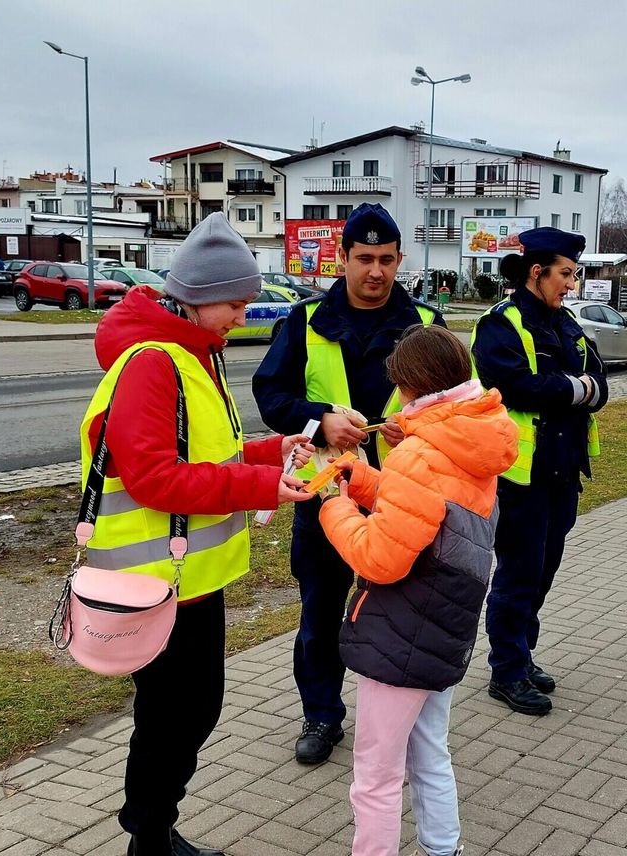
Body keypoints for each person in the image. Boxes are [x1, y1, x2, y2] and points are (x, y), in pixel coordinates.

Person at [80, 212, 317, 856]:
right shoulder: (154, 365)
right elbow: (157, 478)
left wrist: (275, 452)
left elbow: (216, 451)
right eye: (237, 303)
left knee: (189, 710)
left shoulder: (195, 356)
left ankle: (154, 831)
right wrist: (263, 487)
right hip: (154, 582)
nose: (243, 315)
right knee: (174, 715)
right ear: (202, 299)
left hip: (189, 578)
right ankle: (149, 838)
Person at [252, 203, 445, 764]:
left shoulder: (426, 327)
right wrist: (318, 418)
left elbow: (457, 404)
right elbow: (271, 397)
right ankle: (321, 715)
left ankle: (400, 718)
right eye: (364, 258)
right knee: (320, 612)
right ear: (342, 258)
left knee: (402, 612)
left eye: (387, 259)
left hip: (402, 495)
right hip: (328, 496)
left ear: (400, 259)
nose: (376, 271)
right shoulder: (304, 321)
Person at [319, 325, 516, 856]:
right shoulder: (470, 438)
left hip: (403, 633)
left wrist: (334, 508)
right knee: (430, 753)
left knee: (376, 779)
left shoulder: (420, 454)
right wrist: (361, 482)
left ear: (409, 388)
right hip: (446, 624)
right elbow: (427, 507)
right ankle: (442, 848)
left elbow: (379, 559)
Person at [470, 226, 608, 716]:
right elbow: (513, 387)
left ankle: (522, 655)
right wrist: (576, 389)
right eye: (566, 274)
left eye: (574, 274)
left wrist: (569, 387)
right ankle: (506, 671)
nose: (571, 284)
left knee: (545, 569)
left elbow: (602, 385)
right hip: (520, 474)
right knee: (519, 571)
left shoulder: (567, 323)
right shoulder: (500, 324)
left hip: (565, 468)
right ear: (537, 272)